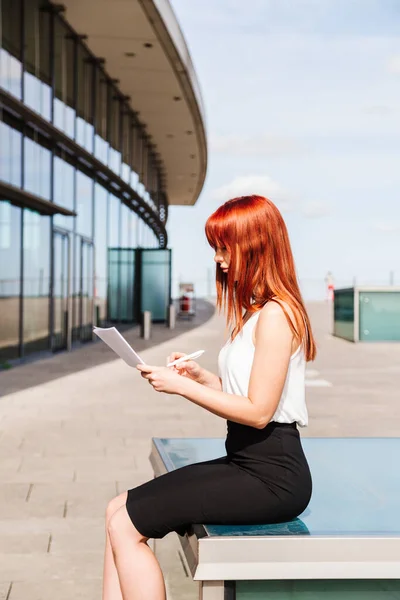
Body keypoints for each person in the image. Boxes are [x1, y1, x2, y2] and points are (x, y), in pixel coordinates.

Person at [102, 194, 316, 600]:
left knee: (125, 524)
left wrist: (182, 387)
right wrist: (200, 378)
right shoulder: (258, 311)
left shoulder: (276, 315)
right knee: (116, 509)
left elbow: (258, 413)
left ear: (255, 244)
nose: (218, 258)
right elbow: (247, 394)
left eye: (224, 247)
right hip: (247, 463)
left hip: (272, 477)